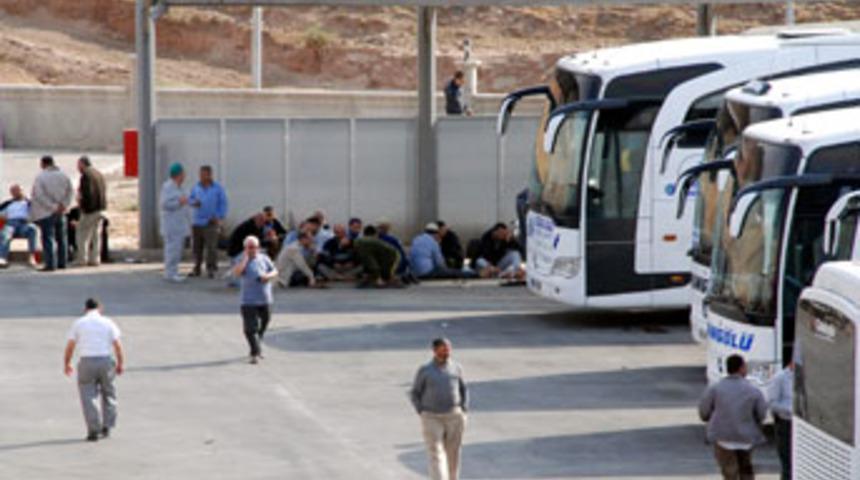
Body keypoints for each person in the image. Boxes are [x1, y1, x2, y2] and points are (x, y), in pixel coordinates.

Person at [63, 298, 125, 442]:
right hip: (105, 360)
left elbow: (70, 346)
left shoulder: (79, 323)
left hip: (87, 361)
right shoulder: (108, 322)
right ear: (100, 308)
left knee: (88, 396)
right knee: (109, 393)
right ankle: (108, 426)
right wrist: (120, 363)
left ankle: (93, 429)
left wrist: (67, 364)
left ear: (85, 309)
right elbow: (117, 345)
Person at [699, 354, 768, 480]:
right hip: (746, 439)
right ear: (741, 368)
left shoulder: (715, 388)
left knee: (729, 472)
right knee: (746, 470)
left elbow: (704, 412)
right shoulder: (753, 390)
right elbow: (762, 414)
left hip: (722, 438)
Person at [410, 337, 468, 480]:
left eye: (448, 349)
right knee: (435, 452)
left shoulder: (457, 368)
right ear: (435, 350)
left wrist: (463, 408)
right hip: (431, 417)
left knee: (453, 453)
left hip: (454, 416)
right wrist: (421, 410)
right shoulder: (425, 370)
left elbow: (463, 389)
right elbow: (415, 392)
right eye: (443, 349)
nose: (446, 352)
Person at [232, 236, 278, 364]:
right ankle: (255, 352)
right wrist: (246, 259)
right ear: (245, 248)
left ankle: (257, 344)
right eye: (249, 247)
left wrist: (267, 276)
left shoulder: (264, 258)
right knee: (250, 329)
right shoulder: (241, 259)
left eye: (255, 247)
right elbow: (237, 272)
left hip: (265, 299)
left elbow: (274, 270)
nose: (253, 250)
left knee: (264, 322)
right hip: (248, 301)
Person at [30, 155, 73, 272]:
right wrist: (64, 205)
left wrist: (52, 207)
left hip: (46, 212)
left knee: (48, 238)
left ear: (43, 164)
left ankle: (50, 264)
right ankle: (62, 262)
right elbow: (70, 192)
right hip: (61, 211)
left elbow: (39, 195)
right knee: (62, 238)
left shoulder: (40, 177)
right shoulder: (64, 176)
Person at [189, 165, 228, 278]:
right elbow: (190, 199)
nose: (201, 176)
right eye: (200, 174)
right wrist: (193, 202)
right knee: (197, 247)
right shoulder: (196, 187)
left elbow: (223, 204)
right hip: (197, 222)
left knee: (211, 247)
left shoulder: (217, 188)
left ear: (210, 175)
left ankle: (211, 268)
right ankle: (197, 267)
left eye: (204, 174)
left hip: (211, 221)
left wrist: (219, 217)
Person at [160, 163, 192, 282]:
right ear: (178, 175)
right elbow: (165, 204)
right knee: (172, 250)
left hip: (179, 224)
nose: (184, 176)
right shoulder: (168, 187)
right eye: (183, 173)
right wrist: (179, 202)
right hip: (171, 225)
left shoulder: (182, 187)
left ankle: (174, 271)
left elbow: (188, 199)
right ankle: (170, 273)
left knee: (177, 250)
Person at [74, 156, 107, 267]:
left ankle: (82, 259)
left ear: (83, 164)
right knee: (96, 235)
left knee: (82, 234)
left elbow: (87, 193)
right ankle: (95, 259)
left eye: (78, 165)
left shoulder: (86, 176)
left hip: (90, 210)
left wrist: (83, 207)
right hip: (101, 209)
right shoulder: (99, 174)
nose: (77, 168)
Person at [0, 184, 38, 268]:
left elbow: (36, 213)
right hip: (10, 223)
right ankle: (2, 258)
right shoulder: (7, 204)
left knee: (32, 229)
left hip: (24, 224)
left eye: (18, 190)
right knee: (5, 233)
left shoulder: (28, 203)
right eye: (13, 191)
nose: (16, 193)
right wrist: (3, 217)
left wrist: (31, 218)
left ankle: (31, 256)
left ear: (22, 191)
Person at [768, 361, 794, 480]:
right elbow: (772, 403)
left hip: (800, 425)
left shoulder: (803, 377)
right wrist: (791, 410)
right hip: (785, 423)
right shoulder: (780, 378)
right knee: (787, 461)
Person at [378, 219, 416, 283]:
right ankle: (405, 275)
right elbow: (401, 254)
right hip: (393, 268)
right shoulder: (392, 239)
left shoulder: (375, 238)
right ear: (388, 228)